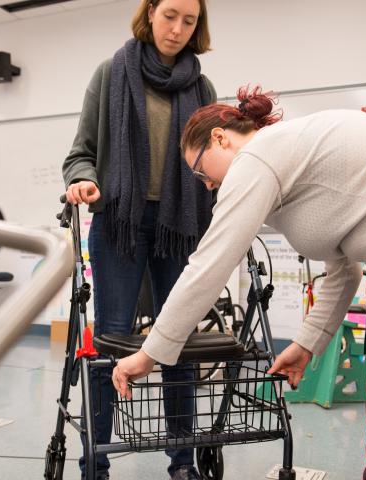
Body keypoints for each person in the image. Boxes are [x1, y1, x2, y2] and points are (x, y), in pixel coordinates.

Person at [112, 87, 366, 479]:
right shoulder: (294, 158)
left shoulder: (259, 155)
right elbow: (342, 268)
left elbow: (209, 264)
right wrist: (307, 343)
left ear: (220, 139)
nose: (206, 185)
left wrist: (150, 354)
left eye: (201, 171)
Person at [62, 0, 216, 478]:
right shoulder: (112, 73)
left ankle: (182, 461)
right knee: (110, 340)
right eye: (170, 15)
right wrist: (83, 179)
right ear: (150, 12)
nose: (177, 28)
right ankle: (96, 461)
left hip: (181, 226)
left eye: (188, 21)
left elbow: (214, 158)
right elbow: (80, 153)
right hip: (120, 224)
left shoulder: (202, 87)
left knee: (178, 342)